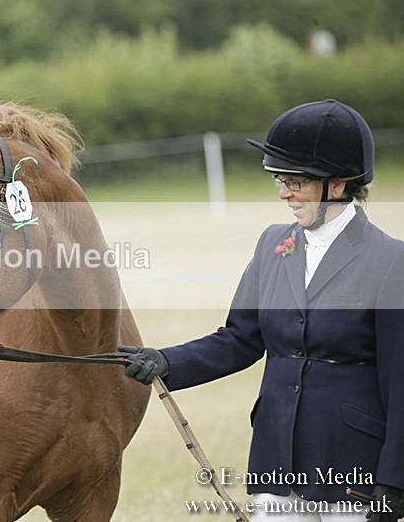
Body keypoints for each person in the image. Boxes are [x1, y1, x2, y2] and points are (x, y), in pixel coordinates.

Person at [120, 99, 404, 521]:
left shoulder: (390, 261)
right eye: (279, 180)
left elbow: (401, 380)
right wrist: (166, 361)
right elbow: (240, 338)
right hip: (277, 459)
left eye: (296, 181)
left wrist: (395, 480)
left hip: (353, 470)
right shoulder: (274, 245)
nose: (284, 192)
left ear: (340, 184)